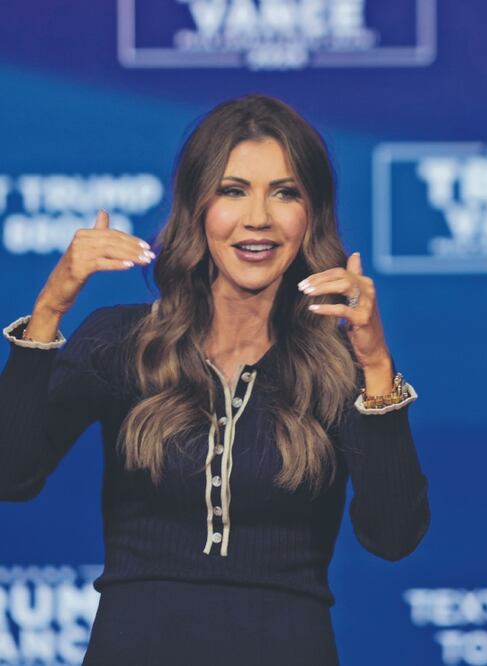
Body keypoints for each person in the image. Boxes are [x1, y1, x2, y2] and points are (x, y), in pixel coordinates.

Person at [0, 95, 430, 665]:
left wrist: (374, 364)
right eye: (233, 190)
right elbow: (11, 475)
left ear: (312, 214)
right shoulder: (124, 342)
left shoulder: (338, 366)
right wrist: (50, 308)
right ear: (197, 207)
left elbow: (394, 536)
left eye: (285, 192)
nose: (258, 218)